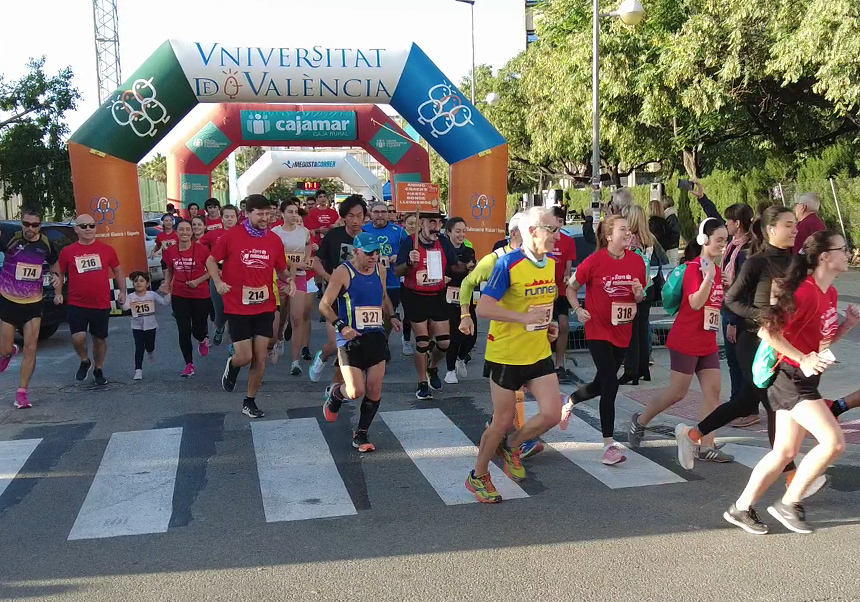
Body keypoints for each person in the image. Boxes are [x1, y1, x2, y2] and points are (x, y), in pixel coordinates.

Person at [723, 230, 855, 535]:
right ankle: (789, 503)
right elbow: (767, 333)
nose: (848, 254)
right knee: (834, 442)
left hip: (804, 378)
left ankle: (740, 508)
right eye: (843, 248)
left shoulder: (830, 294)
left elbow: (819, 343)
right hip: (789, 379)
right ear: (825, 257)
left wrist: (846, 326)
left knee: (784, 452)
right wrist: (803, 359)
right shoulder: (805, 293)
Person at [675, 207, 811, 481]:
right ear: (771, 230)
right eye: (788, 225)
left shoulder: (796, 263)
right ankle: (792, 476)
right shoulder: (756, 263)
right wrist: (761, 316)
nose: (795, 229)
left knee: (745, 401)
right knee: (773, 403)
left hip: (781, 343)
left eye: (795, 224)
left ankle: (692, 435)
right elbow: (731, 301)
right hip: (754, 343)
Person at [465, 206, 562, 503]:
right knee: (502, 420)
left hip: (538, 352)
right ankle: (478, 474)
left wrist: (548, 326)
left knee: (552, 414)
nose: (557, 236)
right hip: (506, 355)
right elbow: (484, 308)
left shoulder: (551, 264)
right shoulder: (507, 264)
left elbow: (541, 304)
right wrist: (523, 319)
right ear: (532, 231)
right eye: (552, 230)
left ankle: (513, 445)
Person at [628, 218, 734, 462]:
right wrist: (709, 279)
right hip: (686, 339)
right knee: (677, 393)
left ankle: (706, 446)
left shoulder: (716, 271)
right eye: (719, 239)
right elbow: (695, 303)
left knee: (713, 391)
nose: (723, 244)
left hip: (707, 340)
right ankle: (640, 421)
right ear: (704, 240)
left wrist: (724, 286)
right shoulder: (695, 268)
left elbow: (714, 304)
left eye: (725, 240)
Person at [561, 214, 646, 465]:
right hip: (597, 330)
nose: (628, 233)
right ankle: (609, 446)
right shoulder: (594, 261)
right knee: (611, 384)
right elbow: (571, 288)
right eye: (622, 229)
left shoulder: (637, 262)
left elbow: (639, 297)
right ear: (609, 236)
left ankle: (571, 400)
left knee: (600, 385)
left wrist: (639, 294)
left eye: (629, 230)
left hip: (622, 331)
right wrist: (578, 309)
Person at [206, 194, 295, 418]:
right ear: (247, 213)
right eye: (260, 214)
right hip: (237, 306)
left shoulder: (274, 240)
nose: (265, 218)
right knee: (244, 357)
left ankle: (250, 400)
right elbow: (211, 260)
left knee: (260, 356)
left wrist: (290, 280)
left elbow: (281, 269)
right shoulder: (232, 236)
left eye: (268, 214)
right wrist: (218, 281)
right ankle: (233, 364)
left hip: (265, 306)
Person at [320, 233, 401, 451]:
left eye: (377, 252)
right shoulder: (343, 272)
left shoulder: (380, 270)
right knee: (356, 391)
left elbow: (383, 297)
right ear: (356, 252)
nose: (374, 257)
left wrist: (392, 316)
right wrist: (341, 326)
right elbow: (324, 305)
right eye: (369, 253)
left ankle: (361, 434)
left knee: (375, 388)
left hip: (375, 335)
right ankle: (336, 393)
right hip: (350, 338)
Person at [395, 210, 464, 399]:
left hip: (437, 295)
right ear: (421, 223)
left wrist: (469, 267)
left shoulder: (443, 242)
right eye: (432, 222)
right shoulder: (410, 242)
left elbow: (454, 265)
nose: (436, 227)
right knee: (423, 342)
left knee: (444, 342)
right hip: (414, 296)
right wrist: (409, 262)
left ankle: (432, 368)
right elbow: (397, 271)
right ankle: (422, 383)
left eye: (439, 223)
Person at [55, 214, 125, 385]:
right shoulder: (68, 251)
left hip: (100, 302)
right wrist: (58, 292)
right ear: (76, 229)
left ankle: (98, 369)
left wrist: (123, 291)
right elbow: (59, 272)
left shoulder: (107, 249)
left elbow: (117, 270)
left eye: (91, 226)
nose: (88, 229)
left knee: (99, 339)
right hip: (76, 302)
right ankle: (85, 360)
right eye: (83, 226)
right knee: (77, 338)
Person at [0, 209, 59, 408]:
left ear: (40, 225)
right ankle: (9, 352)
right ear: (22, 223)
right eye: (26, 224)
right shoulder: (10, 238)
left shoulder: (46, 244)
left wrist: (56, 279)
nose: (30, 228)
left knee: (31, 347)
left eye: (34, 225)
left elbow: (55, 265)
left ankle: (22, 393)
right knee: (4, 350)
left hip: (33, 303)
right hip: (8, 300)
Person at [309, 195, 368, 388]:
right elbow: (316, 262)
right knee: (336, 344)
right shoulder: (334, 236)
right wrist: (330, 278)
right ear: (343, 217)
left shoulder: (367, 238)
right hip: (335, 297)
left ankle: (336, 388)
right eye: (351, 216)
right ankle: (323, 355)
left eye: (359, 216)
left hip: (359, 299)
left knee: (349, 345)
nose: (355, 220)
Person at [721, 202, 756, 425]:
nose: (726, 225)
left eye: (728, 221)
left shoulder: (745, 251)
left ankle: (748, 409)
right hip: (728, 308)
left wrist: (734, 321)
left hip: (739, 314)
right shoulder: (732, 246)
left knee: (742, 363)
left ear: (738, 223)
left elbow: (744, 288)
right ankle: (736, 404)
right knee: (733, 362)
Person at [162, 220, 211, 378]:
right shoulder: (171, 251)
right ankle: (188, 364)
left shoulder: (202, 250)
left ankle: (202, 339)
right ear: (176, 232)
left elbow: (212, 270)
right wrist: (166, 284)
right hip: (180, 294)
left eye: (188, 229)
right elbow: (170, 269)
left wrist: (197, 281)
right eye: (181, 229)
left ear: (192, 232)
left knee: (198, 329)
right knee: (183, 330)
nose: (185, 232)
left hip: (200, 294)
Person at [271, 198, 313, 376]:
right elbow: (273, 255)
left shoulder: (304, 231)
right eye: (290, 212)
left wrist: (306, 260)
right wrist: (291, 265)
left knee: (297, 317)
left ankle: (295, 361)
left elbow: (308, 245)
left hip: (300, 277)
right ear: (282, 214)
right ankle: (279, 337)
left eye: (296, 212)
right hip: (280, 277)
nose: (294, 215)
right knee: (281, 317)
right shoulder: (275, 232)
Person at [363, 200, 410, 349]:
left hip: (392, 281)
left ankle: (384, 340)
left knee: (390, 313)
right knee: (373, 312)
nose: (380, 215)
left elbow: (410, 250)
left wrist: (398, 256)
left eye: (383, 212)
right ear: (370, 214)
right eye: (376, 212)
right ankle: (373, 342)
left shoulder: (399, 231)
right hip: (369, 279)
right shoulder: (363, 230)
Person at [619, 205, 657, 385]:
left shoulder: (631, 240)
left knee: (632, 331)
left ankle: (631, 370)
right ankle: (644, 368)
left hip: (634, 287)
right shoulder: (649, 239)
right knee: (642, 329)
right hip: (648, 285)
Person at [442, 217, 476, 384]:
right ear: (449, 232)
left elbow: (472, 270)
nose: (461, 234)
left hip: (466, 297)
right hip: (447, 297)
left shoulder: (469, 251)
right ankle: (449, 371)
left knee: (471, 336)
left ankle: (461, 358)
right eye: (457, 231)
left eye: (464, 231)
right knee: (454, 337)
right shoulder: (442, 250)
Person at [200, 204, 238, 346]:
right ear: (221, 218)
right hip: (218, 276)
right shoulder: (214, 234)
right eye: (226, 216)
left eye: (232, 216)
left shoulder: (243, 235)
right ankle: (220, 326)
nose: (229, 219)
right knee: (220, 311)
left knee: (235, 312)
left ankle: (234, 344)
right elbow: (197, 248)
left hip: (237, 277)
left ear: (237, 218)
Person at [123, 271, 170, 380]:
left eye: (141, 281)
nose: (138, 283)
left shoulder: (152, 295)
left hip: (151, 326)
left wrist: (167, 294)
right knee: (139, 348)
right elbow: (125, 307)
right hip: (137, 327)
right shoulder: (131, 297)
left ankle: (150, 352)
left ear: (147, 284)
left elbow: (164, 302)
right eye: (136, 281)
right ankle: (138, 370)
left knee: (150, 345)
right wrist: (121, 300)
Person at [549, 206, 577, 382]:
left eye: (561, 221)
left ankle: (559, 364)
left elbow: (568, 267)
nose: (559, 225)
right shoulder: (545, 239)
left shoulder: (568, 241)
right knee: (544, 327)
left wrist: (567, 277)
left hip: (560, 291)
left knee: (563, 325)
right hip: (544, 290)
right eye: (556, 220)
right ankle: (544, 362)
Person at [399, 212, 419, 355]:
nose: (413, 226)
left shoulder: (425, 239)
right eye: (410, 223)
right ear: (404, 224)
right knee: (408, 313)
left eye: (416, 223)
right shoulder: (402, 237)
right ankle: (406, 339)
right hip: (403, 280)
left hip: (422, 281)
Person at [661, 196, 682, 264]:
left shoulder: (671, 217)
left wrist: (668, 244)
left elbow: (675, 233)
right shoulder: (671, 216)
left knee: (672, 264)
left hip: (671, 248)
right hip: (672, 247)